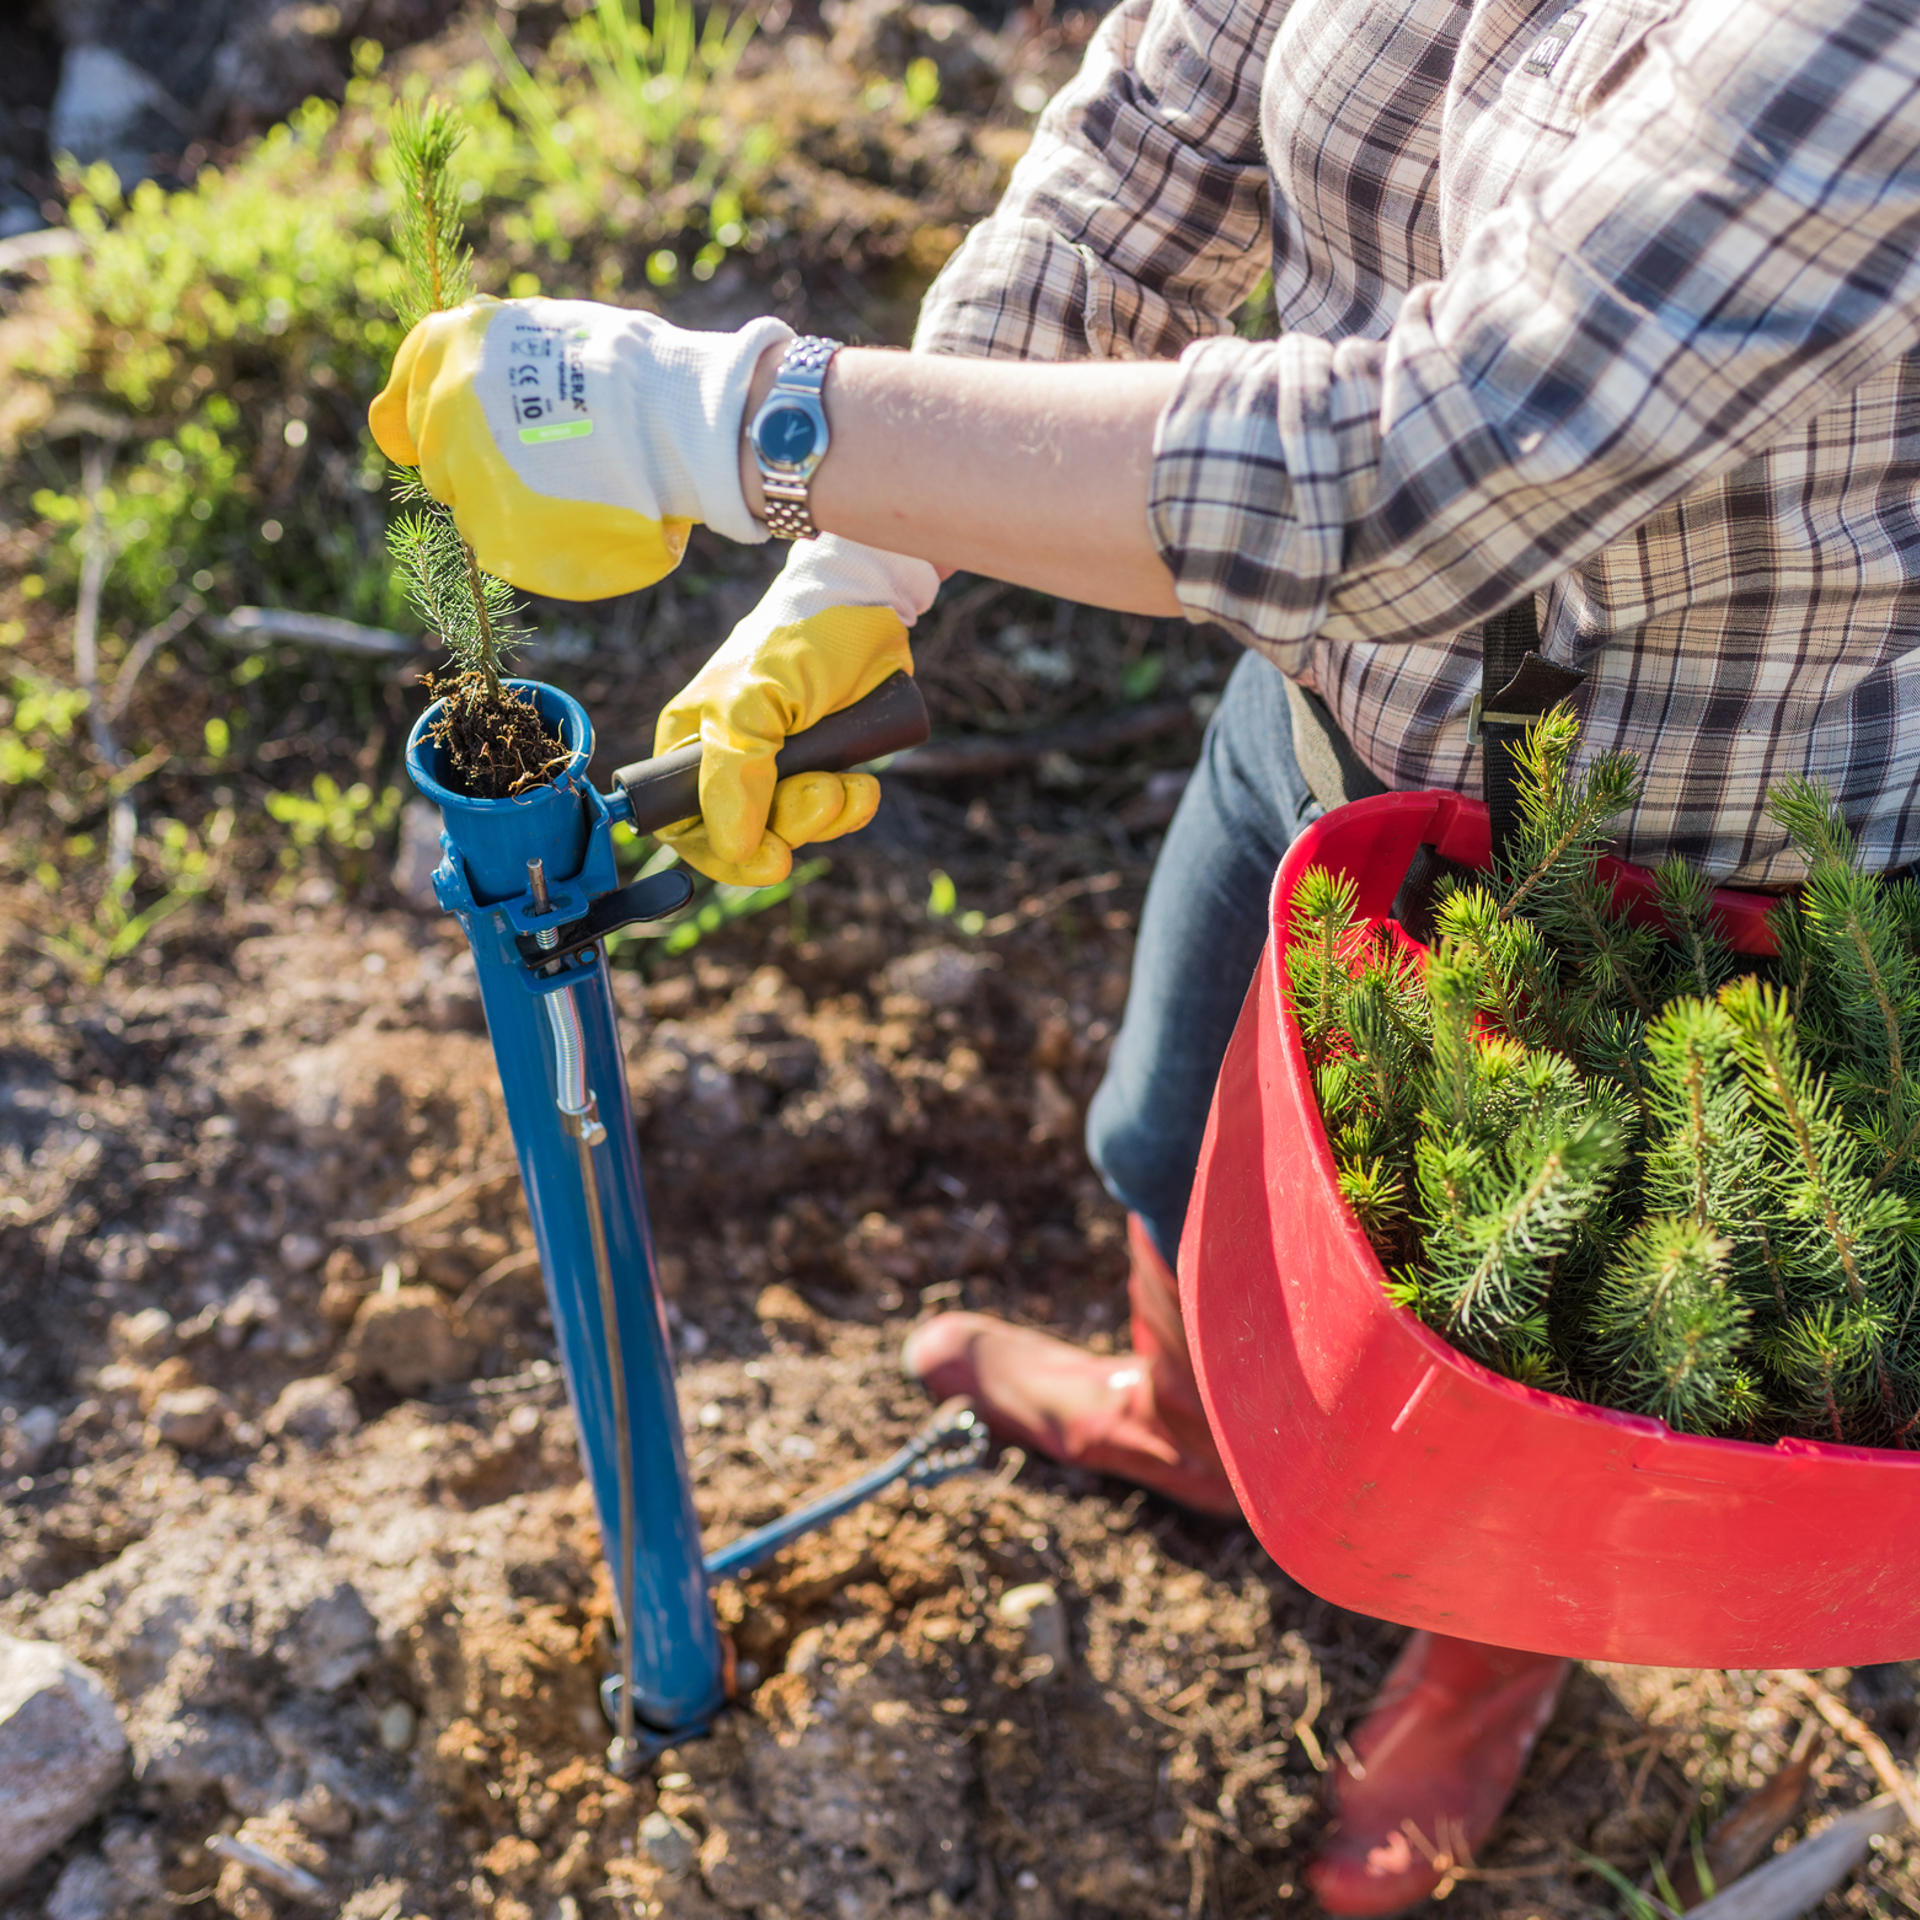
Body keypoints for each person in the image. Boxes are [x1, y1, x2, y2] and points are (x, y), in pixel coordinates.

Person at [371, 0, 1920, 1901]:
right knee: (1166, 1130)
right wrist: (861, 570)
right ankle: (1192, 1421)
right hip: (1321, 716)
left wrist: (728, 422)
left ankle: (1489, 1651)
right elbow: (1143, 163)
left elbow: (1416, 474)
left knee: (1514, 1351)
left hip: (1683, 868)